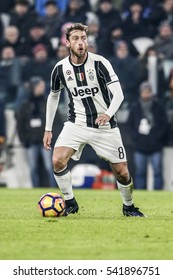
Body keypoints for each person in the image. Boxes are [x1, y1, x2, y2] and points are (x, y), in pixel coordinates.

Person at [43, 22, 146, 217]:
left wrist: (108, 113)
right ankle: (70, 202)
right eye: (76, 38)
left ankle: (129, 207)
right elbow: (53, 96)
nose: (81, 42)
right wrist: (48, 129)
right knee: (57, 160)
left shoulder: (100, 63)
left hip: (105, 126)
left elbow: (119, 94)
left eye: (83, 38)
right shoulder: (59, 69)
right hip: (76, 123)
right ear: (67, 42)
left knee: (122, 172)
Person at [127, 81, 169, 190]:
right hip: (140, 146)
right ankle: (141, 193)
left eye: (148, 92)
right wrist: (137, 137)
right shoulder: (135, 107)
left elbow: (164, 124)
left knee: (157, 171)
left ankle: (158, 193)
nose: (146, 94)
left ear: (151, 93)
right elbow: (129, 125)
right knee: (140, 171)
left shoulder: (158, 106)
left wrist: (157, 137)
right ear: (141, 93)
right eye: (144, 92)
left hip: (155, 146)